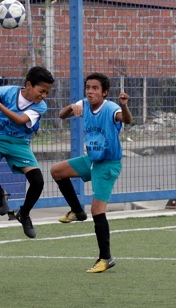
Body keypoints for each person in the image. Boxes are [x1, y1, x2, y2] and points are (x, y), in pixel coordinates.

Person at [50, 72, 132, 273]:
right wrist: (71, 107)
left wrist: (124, 105)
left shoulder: (111, 108)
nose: (90, 91)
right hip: (92, 160)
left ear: (104, 92)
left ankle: (106, 257)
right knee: (56, 171)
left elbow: (127, 119)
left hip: (108, 164)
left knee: (97, 209)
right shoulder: (84, 104)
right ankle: (77, 211)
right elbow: (61, 115)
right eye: (88, 87)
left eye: (95, 88)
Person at [0, 66, 55, 239]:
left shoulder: (41, 106)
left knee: (37, 181)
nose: (44, 96)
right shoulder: (7, 92)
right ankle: (0, 193)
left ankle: (24, 213)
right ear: (29, 85)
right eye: (41, 91)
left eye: (47, 93)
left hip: (19, 143)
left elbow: (20, 120)